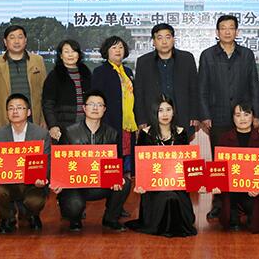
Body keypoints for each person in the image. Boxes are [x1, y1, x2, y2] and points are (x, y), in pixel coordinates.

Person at [198, 15, 259, 219]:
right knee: (220, 161)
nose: (227, 31)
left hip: (243, 117)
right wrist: (205, 115)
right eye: (223, 28)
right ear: (217, 32)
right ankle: (219, 203)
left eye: (231, 28)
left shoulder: (247, 55)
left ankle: (242, 199)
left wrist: (256, 114)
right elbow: (202, 88)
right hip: (217, 116)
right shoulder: (207, 55)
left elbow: (254, 86)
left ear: (237, 31)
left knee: (243, 159)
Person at [53, 90, 132, 232]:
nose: (95, 108)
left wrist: (116, 177)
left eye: (100, 105)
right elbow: (60, 163)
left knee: (124, 182)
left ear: (104, 109)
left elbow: (116, 161)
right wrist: (58, 182)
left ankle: (111, 218)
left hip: (101, 184)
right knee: (74, 205)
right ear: (84, 108)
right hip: (76, 185)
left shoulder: (112, 134)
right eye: (91, 104)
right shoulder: (69, 132)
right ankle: (74, 218)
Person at [127, 97, 197, 237]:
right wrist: (140, 184)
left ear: (173, 112)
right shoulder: (145, 134)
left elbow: (187, 161)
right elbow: (140, 163)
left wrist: (197, 182)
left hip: (176, 184)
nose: (165, 114)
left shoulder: (181, 133)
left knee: (174, 197)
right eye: (160, 110)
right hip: (154, 186)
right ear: (154, 113)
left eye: (168, 110)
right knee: (168, 198)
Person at [0, 93, 51, 234]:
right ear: (7, 113)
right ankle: (7, 217)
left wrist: (43, 178)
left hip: (33, 184)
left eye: (20, 108)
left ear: (28, 112)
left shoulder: (41, 134)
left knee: (34, 202)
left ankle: (31, 215)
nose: (15, 111)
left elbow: (47, 162)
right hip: (8, 183)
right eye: (11, 108)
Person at [134, 23, 199, 137]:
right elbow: (139, 93)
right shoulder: (143, 62)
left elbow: (194, 89)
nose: (164, 42)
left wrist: (195, 114)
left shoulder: (186, 59)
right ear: (153, 42)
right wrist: (141, 119)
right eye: (159, 38)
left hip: (182, 116)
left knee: (181, 147)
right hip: (152, 118)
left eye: (168, 37)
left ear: (173, 39)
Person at [216, 102, 259, 234]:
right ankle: (233, 211)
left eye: (246, 114)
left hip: (254, 190)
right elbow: (219, 170)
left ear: (253, 117)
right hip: (231, 190)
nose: (242, 119)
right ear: (232, 118)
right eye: (238, 115)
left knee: (256, 224)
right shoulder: (224, 138)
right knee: (230, 222)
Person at [0, 25, 47, 133]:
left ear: (25, 40)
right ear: (5, 42)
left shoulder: (38, 60)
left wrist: (44, 119)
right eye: (12, 37)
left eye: (20, 37)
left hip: (33, 120)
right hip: (3, 121)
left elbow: (45, 94)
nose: (16, 41)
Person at [91, 35, 139, 175]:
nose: (118, 50)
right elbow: (96, 99)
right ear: (107, 51)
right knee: (112, 162)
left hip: (128, 124)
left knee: (127, 158)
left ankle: (127, 183)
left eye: (121, 47)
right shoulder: (100, 72)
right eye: (114, 47)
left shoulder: (127, 72)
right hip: (109, 122)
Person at [42, 39, 91, 144]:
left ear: (78, 54)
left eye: (73, 51)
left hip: (86, 125)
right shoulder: (54, 75)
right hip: (63, 128)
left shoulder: (86, 73)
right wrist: (53, 125)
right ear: (61, 55)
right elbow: (48, 104)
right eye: (66, 51)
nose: (70, 55)